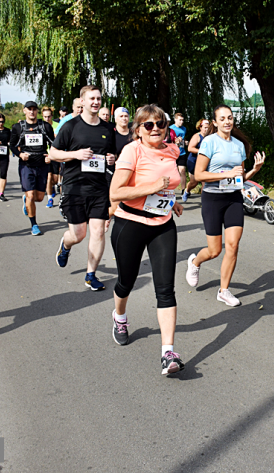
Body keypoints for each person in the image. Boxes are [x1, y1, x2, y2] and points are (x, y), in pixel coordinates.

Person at [108, 104, 186, 374]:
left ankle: (168, 353)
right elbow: (115, 192)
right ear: (138, 130)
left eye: (161, 124)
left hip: (163, 224)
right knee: (125, 282)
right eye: (149, 125)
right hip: (130, 223)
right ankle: (119, 316)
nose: (156, 129)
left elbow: (172, 181)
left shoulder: (172, 150)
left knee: (165, 288)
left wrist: (170, 200)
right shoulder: (132, 151)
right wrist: (152, 187)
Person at [185, 105, 265, 307]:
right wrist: (225, 174)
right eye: (222, 119)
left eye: (229, 118)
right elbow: (200, 175)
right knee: (214, 251)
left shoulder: (238, 145)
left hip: (233, 199)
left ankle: (224, 290)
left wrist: (254, 170)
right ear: (215, 122)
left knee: (233, 245)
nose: (227, 121)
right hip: (213, 199)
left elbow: (240, 178)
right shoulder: (209, 142)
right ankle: (195, 262)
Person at [51, 86, 116, 291]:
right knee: (78, 235)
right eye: (91, 99)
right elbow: (53, 154)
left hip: (98, 188)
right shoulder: (70, 126)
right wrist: (75, 154)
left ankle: (91, 275)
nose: (95, 102)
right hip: (74, 186)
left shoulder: (107, 129)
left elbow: (110, 156)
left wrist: (111, 159)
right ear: (82, 101)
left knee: (97, 232)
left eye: (98, 98)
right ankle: (66, 244)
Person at [9, 100, 54, 236]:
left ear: (37, 111)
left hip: (42, 164)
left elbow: (54, 144)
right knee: (30, 195)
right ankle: (34, 224)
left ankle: (27, 201)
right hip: (26, 166)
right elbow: (11, 145)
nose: (32, 111)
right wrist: (20, 154)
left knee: (39, 198)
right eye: (29, 109)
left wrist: (50, 156)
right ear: (24, 111)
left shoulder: (45, 126)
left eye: (34, 109)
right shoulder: (18, 127)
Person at [184, 118, 213, 200]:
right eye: (205, 127)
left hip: (204, 162)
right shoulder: (197, 136)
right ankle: (187, 190)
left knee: (204, 180)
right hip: (193, 161)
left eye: (208, 127)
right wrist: (202, 151)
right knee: (194, 182)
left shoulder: (210, 137)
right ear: (200, 127)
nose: (207, 129)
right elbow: (190, 148)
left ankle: (204, 201)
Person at [42, 106, 59, 208]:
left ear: (52, 116)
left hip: (56, 154)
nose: (47, 119)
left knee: (55, 179)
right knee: (48, 177)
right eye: (45, 117)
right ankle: (49, 199)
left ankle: (52, 187)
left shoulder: (58, 125)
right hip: (46, 155)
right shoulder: (40, 126)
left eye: (49, 116)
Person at [169, 113, 188, 198]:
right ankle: (170, 189)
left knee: (183, 170)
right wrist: (175, 142)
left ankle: (183, 190)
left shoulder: (184, 129)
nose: (181, 122)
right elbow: (168, 141)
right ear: (175, 120)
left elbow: (183, 140)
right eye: (180, 120)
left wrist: (185, 142)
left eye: (182, 120)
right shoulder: (171, 129)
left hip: (182, 152)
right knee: (172, 172)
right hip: (172, 153)